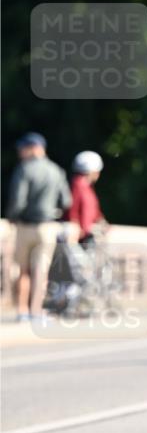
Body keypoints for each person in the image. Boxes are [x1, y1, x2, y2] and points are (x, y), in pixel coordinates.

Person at [5, 132, 71, 321]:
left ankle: (22, 310)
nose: (20, 152)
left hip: (26, 226)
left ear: (34, 148)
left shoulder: (24, 169)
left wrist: (12, 218)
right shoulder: (56, 170)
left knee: (23, 270)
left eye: (23, 148)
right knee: (41, 271)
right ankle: (36, 310)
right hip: (48, 227)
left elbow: (18, 202)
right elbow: (66, 201)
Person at [64, 151, 106, 249]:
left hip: (84, 234)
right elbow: (72, 209)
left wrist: (100, 220)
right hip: (79, 236)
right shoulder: (79, 186)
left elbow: (94, 210)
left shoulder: (84, 186)